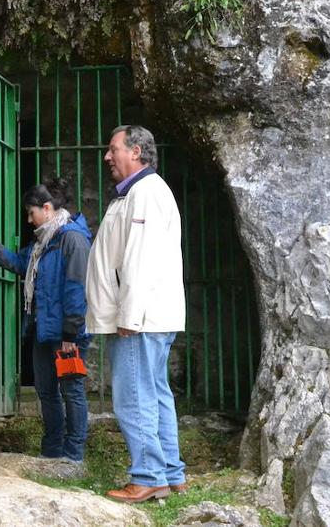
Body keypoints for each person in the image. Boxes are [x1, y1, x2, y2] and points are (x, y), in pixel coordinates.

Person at [87, 125, 187, 503]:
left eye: (113, 149)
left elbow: (139, 259)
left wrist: (128, 317)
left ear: (137, 152)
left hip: (138, 320)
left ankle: (148, 475)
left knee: (133, 397)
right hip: (149, 316)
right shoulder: (138, 193)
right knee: (156, 393)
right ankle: (171, 473)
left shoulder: (144, 193)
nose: (107, 157)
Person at [0, 177, 91, 464]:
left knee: (71, 391)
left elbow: (77, 288)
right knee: (47, 392)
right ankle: (52, 452)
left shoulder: (72, 239)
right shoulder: (43, 244)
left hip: (66, 333)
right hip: (42, 329)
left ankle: (74, 454)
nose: (29, 219)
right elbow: (18, 263)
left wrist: (70, 332)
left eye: (31, 212)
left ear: (47, 208)